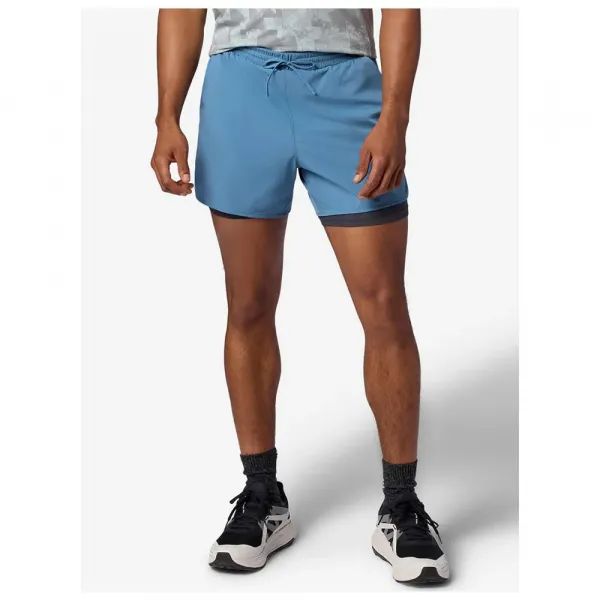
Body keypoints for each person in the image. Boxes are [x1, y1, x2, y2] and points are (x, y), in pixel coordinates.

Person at [151, 8, 449, 584]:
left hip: (346, 85)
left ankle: (401, 505)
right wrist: (167, 116)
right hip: (240, 90)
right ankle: (261, 495)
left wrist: (395, 116)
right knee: (248, 305)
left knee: (384, 305)